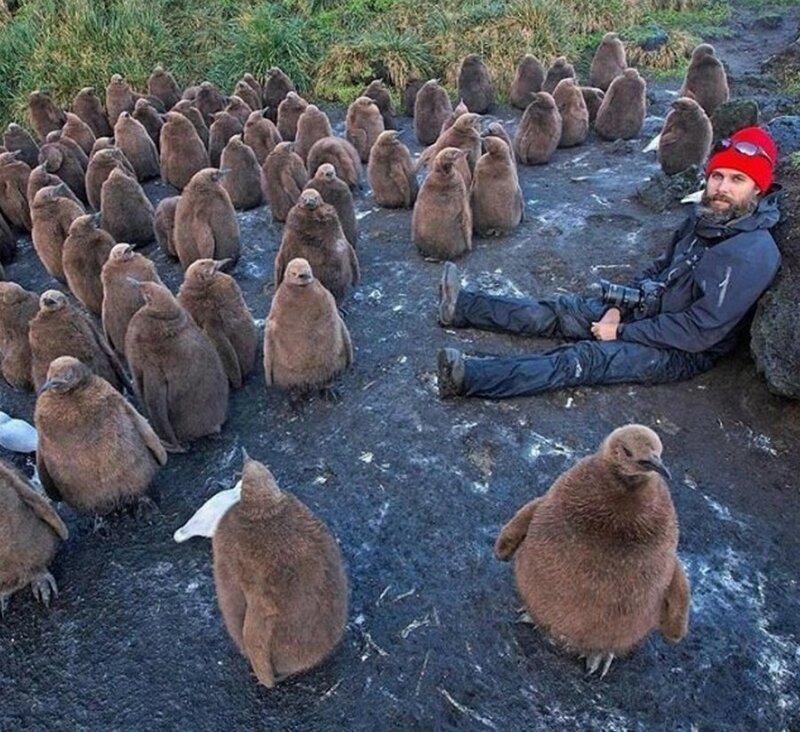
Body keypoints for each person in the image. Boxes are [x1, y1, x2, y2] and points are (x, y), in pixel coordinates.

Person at [436, 126, 781, 399]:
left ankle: (470, 377)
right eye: (718, 176)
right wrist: (619, 305)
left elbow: (698, 330)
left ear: (758, 190)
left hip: (680, 349)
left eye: (738, 180)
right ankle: (463, 307)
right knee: (562, 311)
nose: (721, 187)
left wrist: (621, 332)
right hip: (646, 310)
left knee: (582, 360)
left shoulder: (752, 252)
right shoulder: (704, 217)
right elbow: (659, 267)